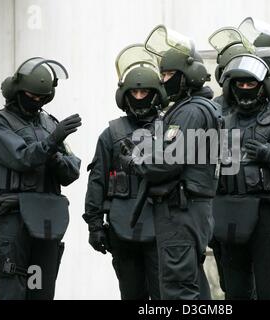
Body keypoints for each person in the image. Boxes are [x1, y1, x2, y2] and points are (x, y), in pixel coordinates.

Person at [119, 25, 222, 300]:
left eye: (168, 75)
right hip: (186, 209)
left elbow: (168, 162)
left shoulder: (190, 112)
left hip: (181, 210)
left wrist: (134, 163)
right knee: (190, 284)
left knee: (178, 288)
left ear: (188, 75)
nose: (163, 81)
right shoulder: (193, 109)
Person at [0, 57, 81, 300]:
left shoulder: (49, 124)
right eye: (30, 95)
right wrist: (51, 142)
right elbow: (22, 158)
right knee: (13, 288)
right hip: (15, 217)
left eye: (41, 98)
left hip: (46, 219)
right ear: (16, 91)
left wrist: (54, 154)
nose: (35, 101)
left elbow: (72, 170)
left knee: (42, 291)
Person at [212, 53, 270, 299]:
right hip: (229, 215)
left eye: (251, 84)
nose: (246, 89)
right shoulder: (220, 124)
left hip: (267, 215)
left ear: (264, 87)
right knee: (235, 291)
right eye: (240, 84)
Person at [83, 45, 166, 300]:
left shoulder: (171, 130)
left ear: (155, 94)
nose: (139, 96)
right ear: (125, 95)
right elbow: (97, 180)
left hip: (161, 226)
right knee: (131, 295)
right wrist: (95, 225)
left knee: (163, 296)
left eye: (145, 91)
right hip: (122, 228)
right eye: (135, 91)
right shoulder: (111, 134)